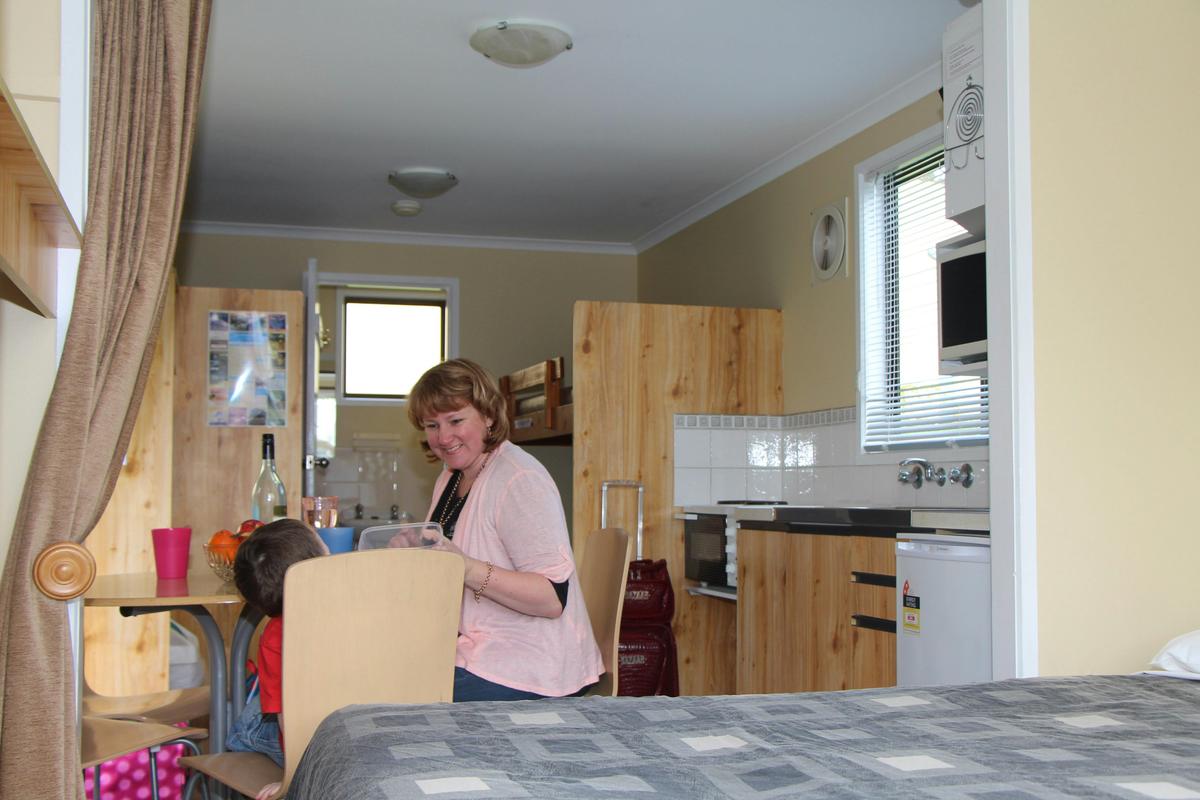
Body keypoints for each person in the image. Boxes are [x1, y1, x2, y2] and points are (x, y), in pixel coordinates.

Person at [406, 358, 603, 701]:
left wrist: (465, 567)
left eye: (455, 420)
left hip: (530, 664)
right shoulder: (451, 477)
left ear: (488, 416)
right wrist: (414, 546)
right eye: (431, 425)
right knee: (377, 669)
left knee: (390, 694)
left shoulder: (518, 479)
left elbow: (551, 598)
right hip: (479, 650)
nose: (443, 437)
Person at [227, 519, 327, 800]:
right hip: (345, 727)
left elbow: (287, 717)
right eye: (319, 540)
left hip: (310, 741)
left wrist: (292, 775)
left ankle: (239, 731)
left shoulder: (275, 635)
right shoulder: (354, 607)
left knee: (246, 724)